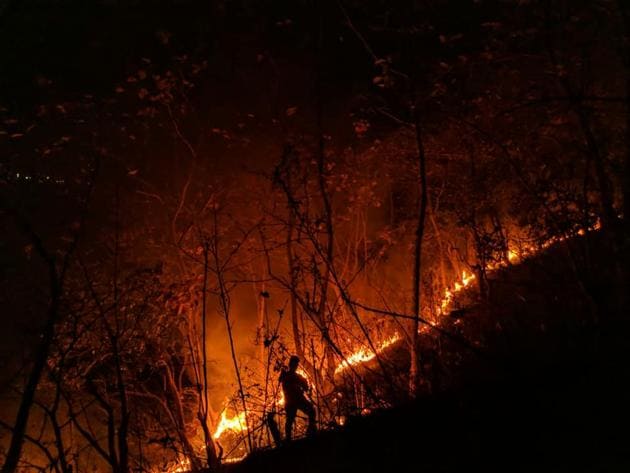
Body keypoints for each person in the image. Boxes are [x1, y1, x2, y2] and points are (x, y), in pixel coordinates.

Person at [279, 355, 316, 441]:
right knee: (290, 420)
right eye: (294, 364)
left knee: (311, 411)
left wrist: (305, 384)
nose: (295, 366)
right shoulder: (287, 375)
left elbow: (306, 387)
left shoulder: (293, 376)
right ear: (291, 364)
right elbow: (280, 380)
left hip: (297, 400)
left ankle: (310, 431)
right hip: (292, 401)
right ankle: (289, 439)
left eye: (296, 364)